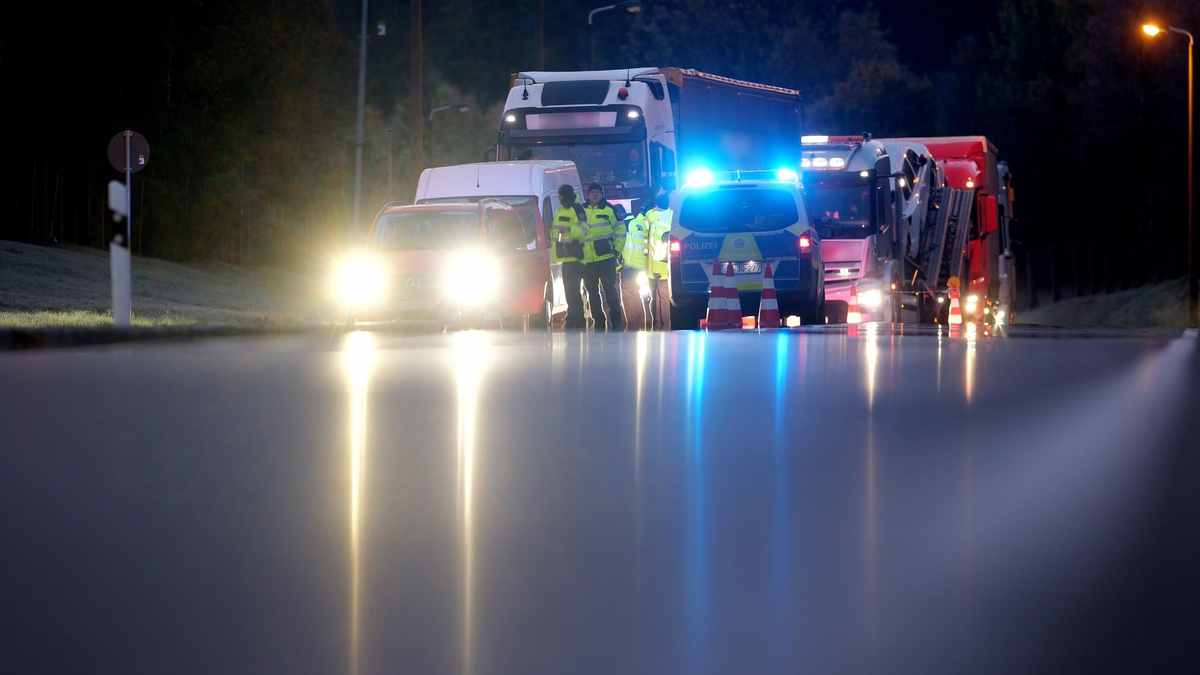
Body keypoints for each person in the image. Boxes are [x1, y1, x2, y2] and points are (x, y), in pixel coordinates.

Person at [581, 182, 626, 331]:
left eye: (597, 192)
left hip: (606, 258)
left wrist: (616, 252)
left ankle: (616, 320)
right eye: (592, 192)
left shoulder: (610, 210)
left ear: (602, 194)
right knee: (592, 292)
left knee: (610, 290)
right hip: (588, 261)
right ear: (588, 195)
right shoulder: (580, 210)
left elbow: (620, 231)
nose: (595, 194)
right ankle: (598, 320)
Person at [551, 184, 589, 329]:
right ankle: (573, 317)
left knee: (573, 291)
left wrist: (567, 230)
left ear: (562, 196)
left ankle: (577, 320)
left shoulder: (577, 208)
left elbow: (584, 230)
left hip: (575, 256)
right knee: (569, 291)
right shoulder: (561, 210)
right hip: (565, 256)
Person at [642, 192, 673, 330]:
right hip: (668, 264)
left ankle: (657, 322)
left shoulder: (651, 216)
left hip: (653, 265)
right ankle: (667, 322)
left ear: (655, 203)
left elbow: (641, 230)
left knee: (655, 296)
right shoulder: (673, 215)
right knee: (665, 296)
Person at [619, 204, 651, 330]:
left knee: (628, 295)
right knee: (635, 294)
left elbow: (629, 245)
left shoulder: (625, 224)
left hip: (630, 265)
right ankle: (640, 324)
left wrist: (626, 262)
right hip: (640, 264)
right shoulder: (638, 223)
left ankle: (633, 325)